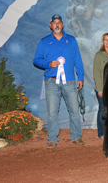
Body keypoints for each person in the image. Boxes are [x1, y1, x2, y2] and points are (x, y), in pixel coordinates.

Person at [33, 14, 85, 149]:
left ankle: (77, 136)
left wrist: (80, 77)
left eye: (59, 22)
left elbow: (78, 60)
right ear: (50, 25)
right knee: (52, 112)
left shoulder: (72, 40)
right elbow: (36, 60)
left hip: (70, 81)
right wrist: (47, 64)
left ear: (62, 25)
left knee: (74, 110)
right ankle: (52, 138)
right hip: (51, 82)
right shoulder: (44, 41)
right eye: (54, 22)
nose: (57, 24)